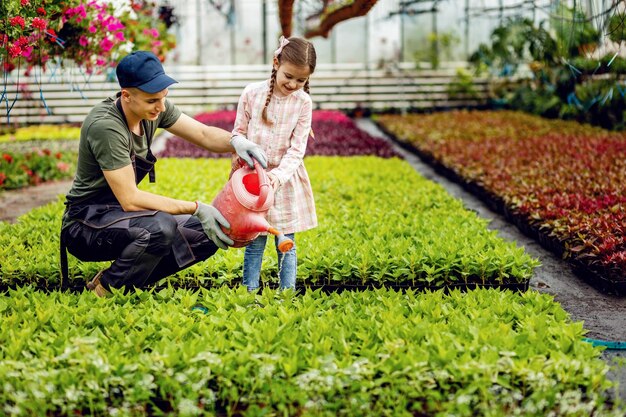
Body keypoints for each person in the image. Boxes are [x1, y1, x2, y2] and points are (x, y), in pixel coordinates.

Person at [60, 50, 268, 297]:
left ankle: (123, 278)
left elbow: (202, 134)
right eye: (152, 101)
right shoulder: (106, 126)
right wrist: (196, 207)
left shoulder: (154, 108)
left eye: (163, 97)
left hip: (121, 215)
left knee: (208, 232)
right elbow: (130, 198)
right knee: (160, 227)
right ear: (126, 95)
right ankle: (106, 290)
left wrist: (236, 141)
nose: (160, 107)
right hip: (86, 222)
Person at [232, 36, 318, 292]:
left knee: (286, 241)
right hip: (252, 181)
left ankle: (287, 294)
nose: (293, 84)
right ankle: (249, 293)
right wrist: (247, 164)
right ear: (275, 62)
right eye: (288, 76)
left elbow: (297, 149)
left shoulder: (303, 103)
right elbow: (237, 134)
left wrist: (277, 177)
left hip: (284, 182)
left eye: (301, 80)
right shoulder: (251, 93)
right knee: (255, 240)